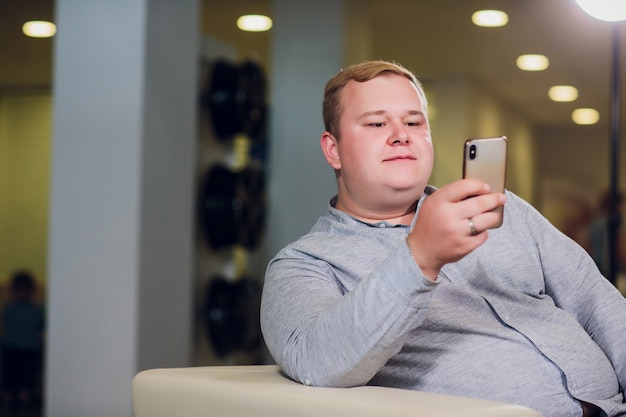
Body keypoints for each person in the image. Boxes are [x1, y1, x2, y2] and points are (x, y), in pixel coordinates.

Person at [260, 60, 626, 417]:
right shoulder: (303, 264)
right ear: (333, 149)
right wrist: (419, 257)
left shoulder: (500, 207)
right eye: (375, 122)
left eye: (413, 121)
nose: (400, 133)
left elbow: (598, 303)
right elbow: (318, 362)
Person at [1, 269, 45, 408]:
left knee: (10, 375)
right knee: (27, 376)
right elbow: (41, 326)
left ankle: (9, 397)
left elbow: (5, 323)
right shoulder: (36, 309)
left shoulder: (8, 308)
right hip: (30, 348)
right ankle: (23, 398)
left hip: (10, 347)